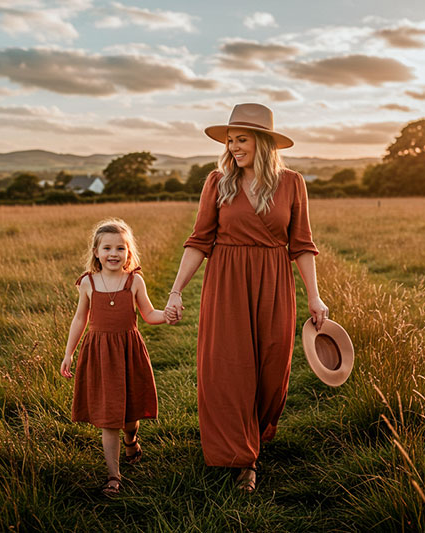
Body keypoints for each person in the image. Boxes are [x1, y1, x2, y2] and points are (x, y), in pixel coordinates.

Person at [164, 103, 328, 493]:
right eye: (230, 140)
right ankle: (243, 460)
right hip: (226, 284)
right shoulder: (218, 182)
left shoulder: (292, 183)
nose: (234, 147)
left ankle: (251, 436)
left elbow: (301, 244)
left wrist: (315, 298)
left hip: (274, 283)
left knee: (271, 370)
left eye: (242, 140)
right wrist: (175, 289)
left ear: (264, 142)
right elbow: (199, 240)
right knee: (229, 369)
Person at [61, 218, 167, 496]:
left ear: (128, 253)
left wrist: (166, 315)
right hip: (98, 354)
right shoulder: (87, 283)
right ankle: (113, 476)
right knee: (109, 418)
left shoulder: (134, 281)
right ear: (96, 252)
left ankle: (132, 440)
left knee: (130, 415)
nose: (113, 254)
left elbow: (148, 314)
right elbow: (79, 319)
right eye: (107, 248)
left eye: (120, 248)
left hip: (128, 352)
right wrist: (69, 353)